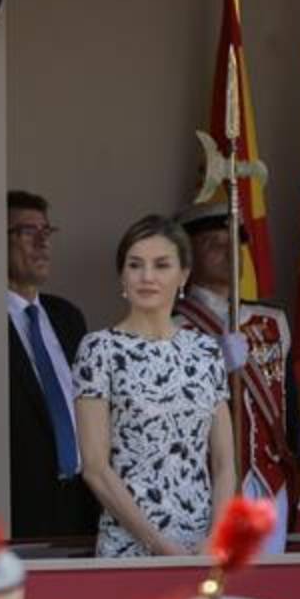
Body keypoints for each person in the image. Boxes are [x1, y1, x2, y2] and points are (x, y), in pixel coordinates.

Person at [73, 214, 236, 557]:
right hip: (129, 549)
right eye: (135, 265)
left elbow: (224, 463)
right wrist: (159, 546)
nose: (147, 277)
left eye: (161, 265)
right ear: (122, 275)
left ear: (184, 276)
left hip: (202, 550)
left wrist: (215, 538)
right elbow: (95, 468)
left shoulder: (206, 351)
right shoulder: (99, 349)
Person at [174, 201, 295, 554]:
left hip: (270, 481)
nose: (230, 253)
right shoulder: (173, 327)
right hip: (206, 483)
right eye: (215, 244)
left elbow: (287, 398)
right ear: (188, 258)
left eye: (235, 243)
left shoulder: (272, 321)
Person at [5, 190, 100, 540]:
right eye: (27, 232)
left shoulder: (68, 317)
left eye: (47, 231)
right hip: (23, 506)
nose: (42, 242)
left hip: (85, 499)